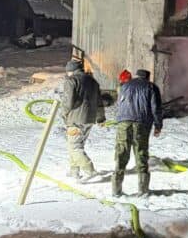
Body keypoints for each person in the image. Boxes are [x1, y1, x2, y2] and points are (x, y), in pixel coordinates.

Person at [112, 68, 162, 196]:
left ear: (137, 76)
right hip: (141, 123)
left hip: (123, 123)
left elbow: (120, 105)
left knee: (121, 153)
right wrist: (158, 125)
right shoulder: (151, 87)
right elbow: (156, 108)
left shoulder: (124, 86)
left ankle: (116, 190)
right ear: (148, 77)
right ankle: (143, 190)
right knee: (141, 154)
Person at [62, 59, 105, 181]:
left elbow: (68, 102)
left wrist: (64, 114)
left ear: (71, 71)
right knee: (76, 145)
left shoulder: (72, 81)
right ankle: (74, 170)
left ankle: (90, 171)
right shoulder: (93, 81)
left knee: (75, 147)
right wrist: (100, 118)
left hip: (76, 119)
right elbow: (99, 102)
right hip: (89, 119)